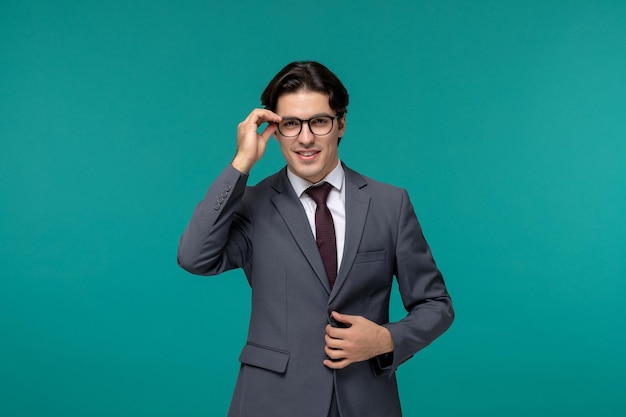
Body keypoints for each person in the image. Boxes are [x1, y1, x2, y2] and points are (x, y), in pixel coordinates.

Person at [177, 61, 454, 417]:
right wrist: (241, 163)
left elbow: (436, 305)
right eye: (291, 124)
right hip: (270, 401)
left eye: (319, 122)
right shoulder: (253, 205)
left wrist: (387, 340)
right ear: (274, 129)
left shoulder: (390, 204)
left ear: (341, 124)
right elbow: (194, 257)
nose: (305, 138)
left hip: (365, 400)